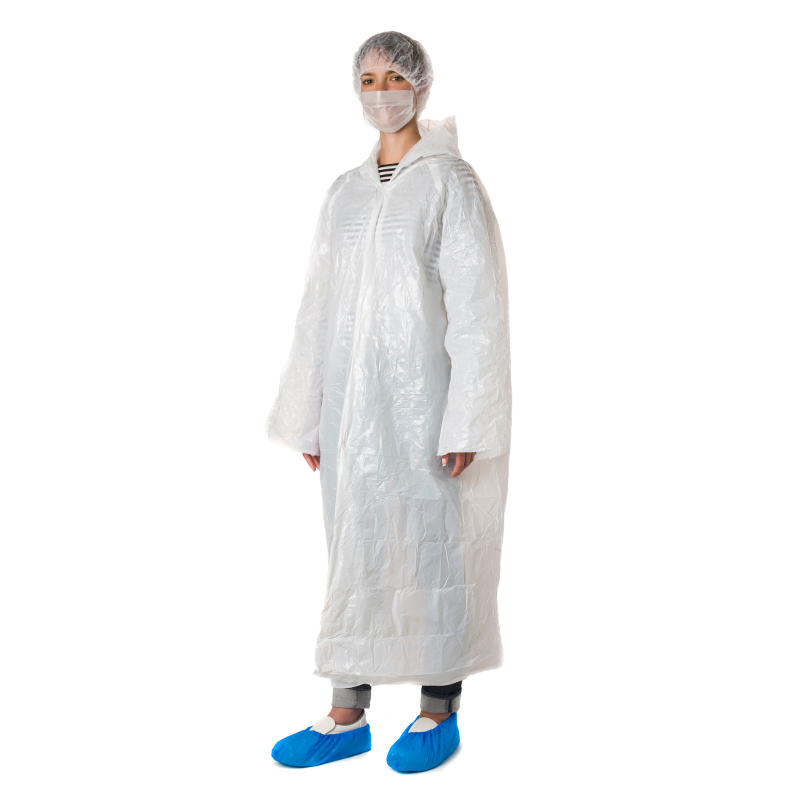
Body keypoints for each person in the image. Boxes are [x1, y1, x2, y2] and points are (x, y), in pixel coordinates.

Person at [266, 31, 512, 772]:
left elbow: (477, 306)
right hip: (350, 407)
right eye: (368, 79)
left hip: (426, 402)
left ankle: (438, 708)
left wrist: (468, 415)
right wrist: (308, 410)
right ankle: (347, 714)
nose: (380, 93)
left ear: (420, 87)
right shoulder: (343, 192)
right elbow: (318, 304)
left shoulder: (449, 182)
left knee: (434, 546)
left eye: (393, 78)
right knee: (355, 545)